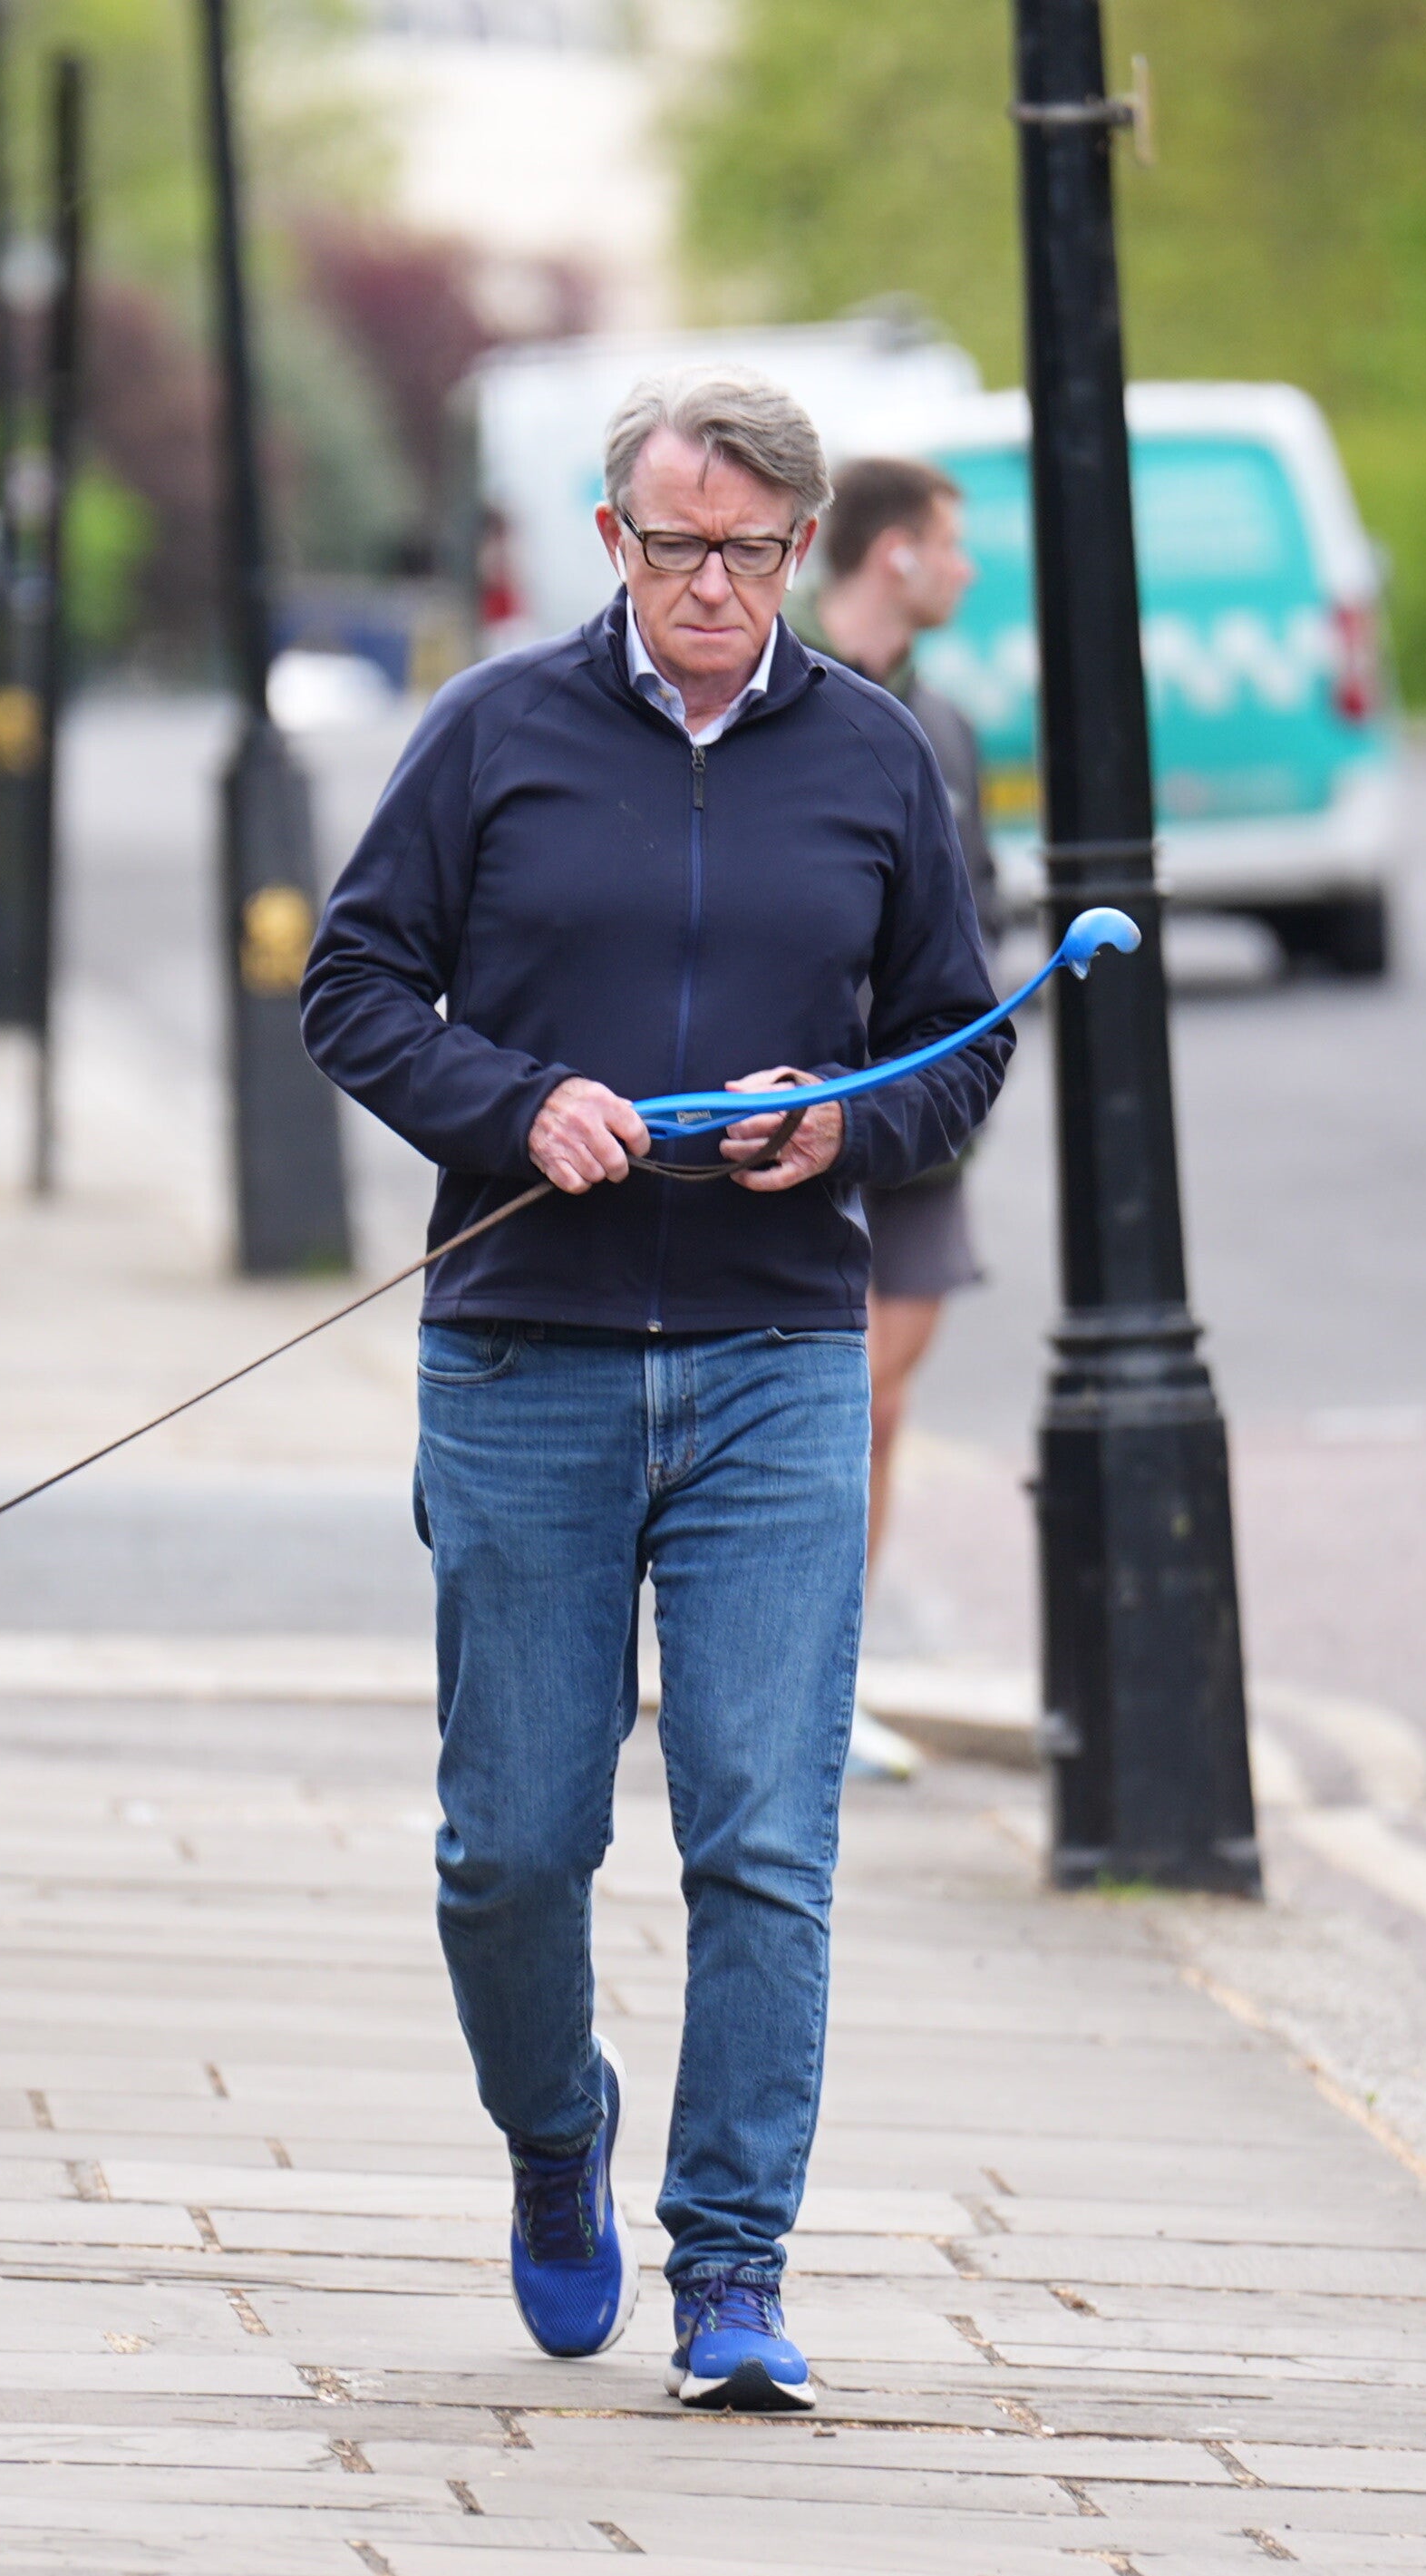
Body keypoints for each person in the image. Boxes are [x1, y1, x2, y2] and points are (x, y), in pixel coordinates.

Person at [300, 370, 1007, 2413]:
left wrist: (842, 1125)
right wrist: (518, 1105)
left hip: (778, 1359)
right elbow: (352, 987)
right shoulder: (491, 734)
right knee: (512, 1848)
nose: (713, 584)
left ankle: (733, 2268)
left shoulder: (873, 755)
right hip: (525, 1351)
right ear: (611, 540)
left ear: (802, 549)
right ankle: (555, 2136)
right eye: (677, 545)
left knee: (761, 1841)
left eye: (751, 552)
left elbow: (957, 1041)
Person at [810, 454, 1001, 1782]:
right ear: (893, 555)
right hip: (802, 1113)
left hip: (919, 1117)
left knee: (876, 1406)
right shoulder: (783, 700)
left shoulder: (946, 726)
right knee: (824, 1403)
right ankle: (774, 1669)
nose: (965, 569)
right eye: (951, 544)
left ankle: (829, 1680)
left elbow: (974, 922)